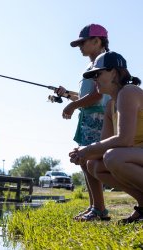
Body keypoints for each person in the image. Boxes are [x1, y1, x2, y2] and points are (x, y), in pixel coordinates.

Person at [69, 51, 143, 223]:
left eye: (98, 74)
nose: (94, 79)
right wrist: (82, 154)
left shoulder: (129, 92)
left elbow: (124, 140)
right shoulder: (111, 104)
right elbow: (103, 145)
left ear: (114, 73)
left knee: (113, 157)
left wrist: (87, 149)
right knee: (94, 164)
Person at [55, 24, 110, 220]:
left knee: (89, 160)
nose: (79, 46)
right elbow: (86, 96)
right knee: (84, 162)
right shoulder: (91, 65)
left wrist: (72, 106)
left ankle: (99, 209)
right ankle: (95, 206)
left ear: (97, 41)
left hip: (98, 117)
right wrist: (68, 95)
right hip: (89, 117)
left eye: (82, 42)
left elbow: (97, 95)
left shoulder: (103, 61)